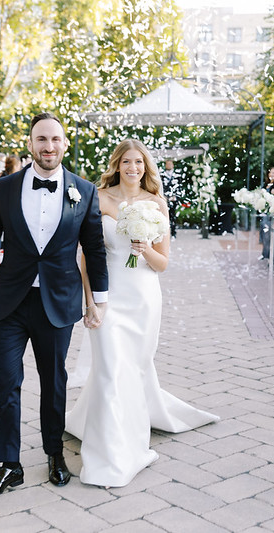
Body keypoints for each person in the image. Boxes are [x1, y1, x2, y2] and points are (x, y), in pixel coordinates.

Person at [0, 112, 108, 498]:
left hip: (58, 302)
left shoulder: (84, 190)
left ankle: (54, 454)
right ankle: (9, 465)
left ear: (64, 144)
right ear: (30, 144)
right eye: (41, 140)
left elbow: (94, 248)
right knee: (6, 383)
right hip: (10, 302)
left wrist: (100, 299)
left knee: (54, 383)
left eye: (55, 140)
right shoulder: (6, 187)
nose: (48, 147)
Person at [66, 139, 218, 488]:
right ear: (117, 165)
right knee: (108, 370)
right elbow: (86, 256)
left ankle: (123, 434)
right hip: (108, 295)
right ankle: (109, 454)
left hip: (144, 297)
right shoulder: (99, 198)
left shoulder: (156, 203)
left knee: (130, 369)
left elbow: (163, 264)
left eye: (138, 162)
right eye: (126, 162)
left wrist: (145, 248)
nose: (132, 168)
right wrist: (90, 301)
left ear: (146, 167)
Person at [161, 160, 181, 238]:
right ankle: (165, 232)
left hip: (173, 199)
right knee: (164, 216)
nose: (169, 165)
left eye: (170, 164)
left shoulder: (177, 175)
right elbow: (160, 186)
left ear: (173, 165)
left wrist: (175, 196)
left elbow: (179, 187)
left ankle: (173, 232)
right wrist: (164, 196)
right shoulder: (162, 175)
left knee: (173, 216)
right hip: (164, 199)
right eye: (167, 164)